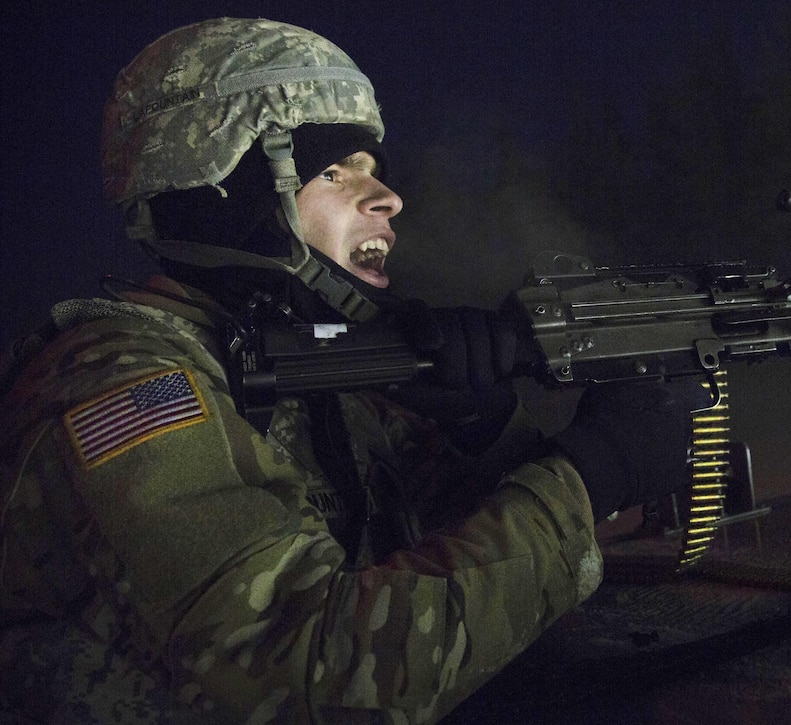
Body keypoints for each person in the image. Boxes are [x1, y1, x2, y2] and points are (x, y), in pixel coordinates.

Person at [0, 18, 700, 724]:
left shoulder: (321, 378)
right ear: (233, 199)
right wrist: (589, 472)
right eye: (334, 171)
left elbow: (465, 582)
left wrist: (486, 428)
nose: (389, 199)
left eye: (375, 171)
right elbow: (313, 674)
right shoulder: (117, 386)